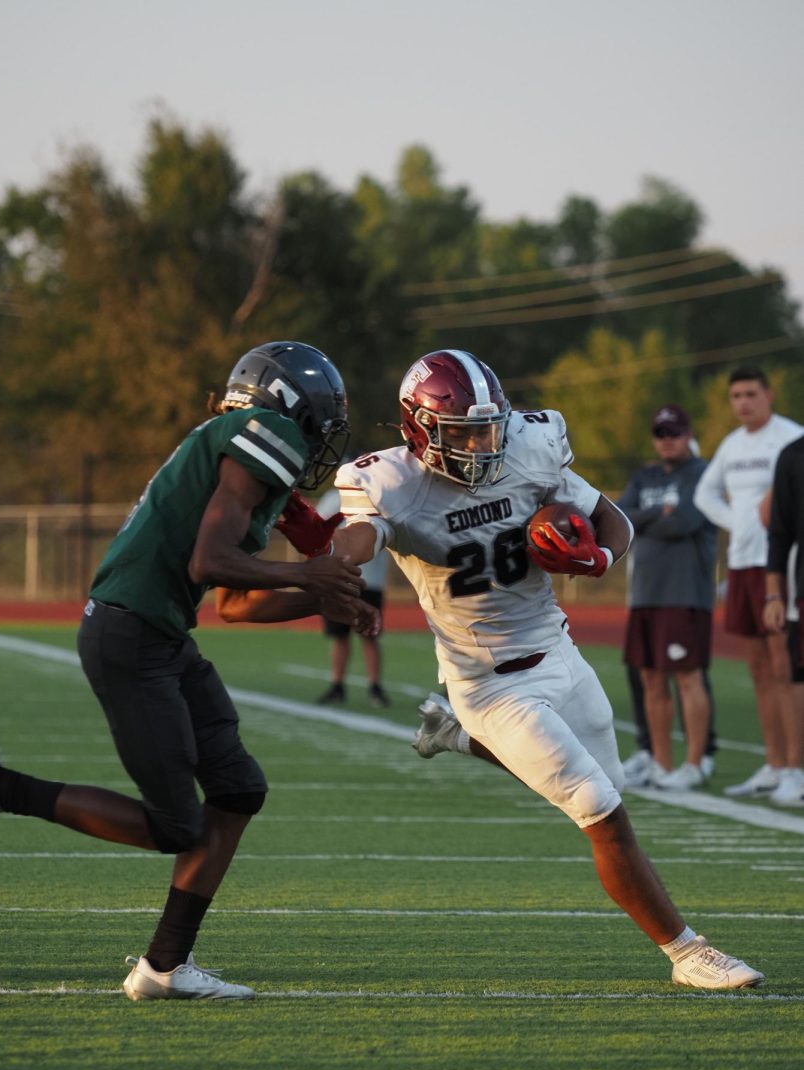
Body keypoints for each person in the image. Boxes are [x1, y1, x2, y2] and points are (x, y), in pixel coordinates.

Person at [0, 340, 378, 1002]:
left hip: (157, 633)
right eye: (319, 417)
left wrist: (322, 594)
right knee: (177, 826)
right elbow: (210, 564)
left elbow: (234, 603)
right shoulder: (268, 433)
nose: (320, 436)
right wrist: (309, 572)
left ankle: (165, 967)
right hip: (131, 633)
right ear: (286, 405)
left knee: (237, 788)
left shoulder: (237, 450)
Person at [325, 347, 762, 989]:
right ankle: (688, 953)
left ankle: (455, 738)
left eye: (489, 426)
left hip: (559, 653)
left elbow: (609, 517)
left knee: (608, 794)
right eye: (463, 432)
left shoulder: (529, 444)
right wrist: (342, 553)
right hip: (488, 681)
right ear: (418, 430)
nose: (482, 443)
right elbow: (357, 535)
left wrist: (601, 559)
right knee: (601, 812)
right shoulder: (389, 483)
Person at [693, 365, 803, 799]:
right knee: (758, 669)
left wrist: (769, 526)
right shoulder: (732, 445)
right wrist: (737, 525)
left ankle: (797, 765)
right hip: (742, 563)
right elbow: (705, 494)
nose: (743, 403)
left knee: (786, 667)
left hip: (778, 565)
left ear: (768, 395)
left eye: (750, 394)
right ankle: (774, 764)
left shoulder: (790, 438)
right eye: (735, 395)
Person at [615, 405, 718, 790]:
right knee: (650, 679)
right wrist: (660, 510)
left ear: (689, 433)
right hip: (645, 594)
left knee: (688, 678)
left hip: (684, 592)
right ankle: (660, 763)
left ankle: (694, 762)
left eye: (674, 433)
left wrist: (649, 516)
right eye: (661, 434)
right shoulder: (645, 476)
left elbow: (685, 522)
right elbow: (623, 518)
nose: (668, 440)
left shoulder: (703, 473)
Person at [315, 484, 391, 708]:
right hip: (341, 577)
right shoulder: (336, 496)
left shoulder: (379, 495)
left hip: (367, 580)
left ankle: (375, 685)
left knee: (369, 634)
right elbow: (318, 528)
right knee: (340, 635)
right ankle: (338, 684)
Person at [762, 433, 804, 806]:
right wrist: (774, 594)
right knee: (796, 681)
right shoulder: (793, 455)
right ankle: (795, 770)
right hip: (800, 590)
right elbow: (780, 532)